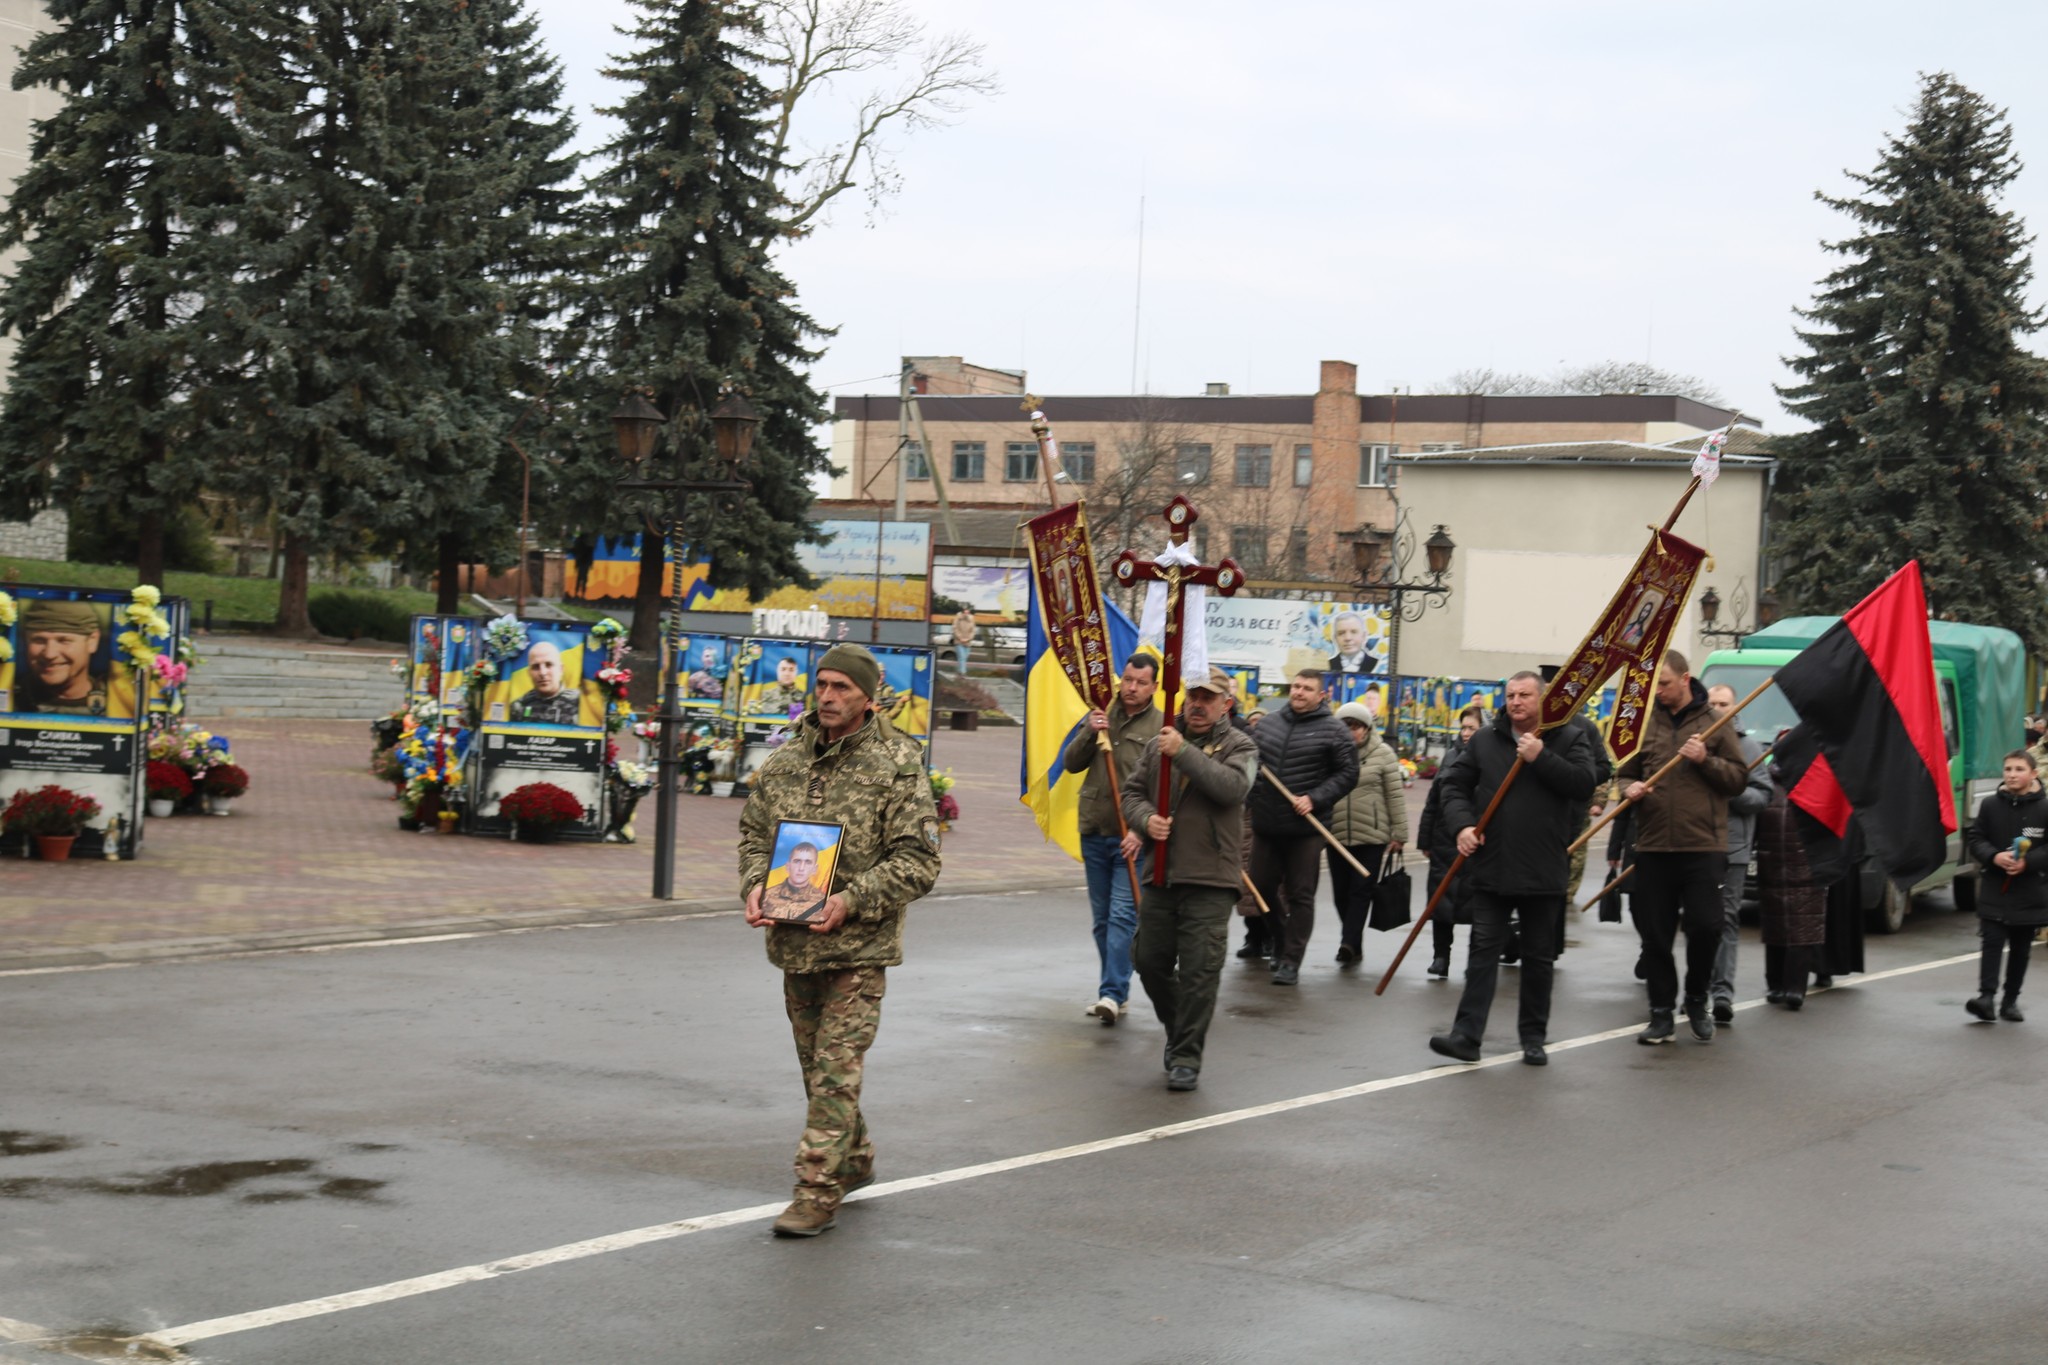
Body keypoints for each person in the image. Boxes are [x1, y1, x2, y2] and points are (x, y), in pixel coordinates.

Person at [740, 642, 942, 1238]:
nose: (827, 697)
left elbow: (919, 860)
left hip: (860, 948)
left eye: (841, 688)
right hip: (794, 946)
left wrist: (849, 901)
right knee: (815, 1069)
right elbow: (754, 836)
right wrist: (755, 885)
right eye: (822, 685)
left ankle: (816, 1190)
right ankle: (852, 1159)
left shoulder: (897, 762)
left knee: (835, 1071)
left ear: (867, 697)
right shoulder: (783, 763)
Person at [1427, 671, 1598, 1067]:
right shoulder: (1486, 740)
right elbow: (1452, 785)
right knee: (1482, 951)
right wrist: (1463, 826)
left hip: (1544, 867)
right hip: (1493, 866)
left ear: (1542, 699)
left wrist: (1542, 758)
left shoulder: (1570, 736)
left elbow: (1584, 783)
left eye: (1524, 695)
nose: (1516, 701)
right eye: (1510, 695)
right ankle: (1466, 1036)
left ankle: (1533, 1037)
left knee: (1538, 958)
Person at [1120, 665, 1259, 1091]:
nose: (1197, 705)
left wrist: (1182, 752)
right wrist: (1146, 820)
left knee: (1200, 971)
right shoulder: (1160, 739)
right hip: (1162, 873)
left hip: (1211, 878)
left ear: (1226, 705)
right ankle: (1181, 1028)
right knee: (1148, 960)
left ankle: (1185, 1056)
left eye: (1208, 698)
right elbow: (1131, 793)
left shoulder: (1241, 745)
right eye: (1192, 696)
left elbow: (1232, 788)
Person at [1615, 650, 1750, 1045]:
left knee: (1707, 927)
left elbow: (1739, 779)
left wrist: (1706, 759)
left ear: (1686, 679)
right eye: (1655, 684)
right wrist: (1630, 790)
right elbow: (1623, 774)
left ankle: (1695, 998)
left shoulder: (1714, 722)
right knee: (1655, 936)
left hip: (1703, 845)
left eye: (1665, 684)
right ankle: (1660, 1013)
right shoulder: (1643, 725)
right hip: (1654, 844)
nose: (1658, 691)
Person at [1060, 655, 1162, 1026]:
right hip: (1095, 829)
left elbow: (1159, 787)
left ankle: (1112, 993)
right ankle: (1115, 988)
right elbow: (1071, 763)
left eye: (1140, 682)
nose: (1131, 688)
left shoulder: (1160, 726)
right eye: (1128, 680)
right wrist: (1089, 730)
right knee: (1102, 920)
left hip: (1131, 837)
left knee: (1122, 915)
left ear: (1153, 687)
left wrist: (1141, 828)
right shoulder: (1102, 713)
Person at [1246, 669, 1359, 985]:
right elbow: (1251, 767)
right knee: (1260, 889)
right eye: (1296, 686)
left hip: (1306, 829)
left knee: (1300, 894)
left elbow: (1348, 774)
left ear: (1321, 695)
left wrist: (1314, 798)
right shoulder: (1267, 725)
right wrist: (1251, 798)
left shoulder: (1334, 731)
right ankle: (1281, 941)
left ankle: (1292, 960)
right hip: (1267, 823)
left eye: (1307, 688)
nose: (1299, 692)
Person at [1962, 749, 2048, 1023]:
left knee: (2021, 947)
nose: (2012, 775)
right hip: (1994, 887)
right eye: (2008, 769)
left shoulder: (2044, 808)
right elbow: (1975, 838)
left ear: (2033, 774)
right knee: (1992, 941)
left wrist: (2028, 862)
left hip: (2030, 890)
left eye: (2019, 769)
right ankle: (1986, 997)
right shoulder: (1989, 805)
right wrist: (1993, 856)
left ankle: (2010, 1001)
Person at [1705, 683, 1771, 1021]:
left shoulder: (1749, 747)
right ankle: (1697, 987)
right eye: (1712, 702)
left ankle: (1722, 994)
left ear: (1736, 708)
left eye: (1724, 703)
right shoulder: (1696, 744)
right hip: (1697, 846)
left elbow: (1762, 797)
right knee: (1700, 922)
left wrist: (1731, 792)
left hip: (1733, 849)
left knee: (1727, 920)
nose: (1718, 708)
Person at [1325, 701, 1407, 966]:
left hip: (1372, 835)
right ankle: (1354, 941)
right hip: (1336, 834)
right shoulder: (1329, 753)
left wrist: (1399, 833)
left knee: (1360, 892)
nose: (1351, 732)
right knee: (1340, 893)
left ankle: (1347, 943)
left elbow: (1394, 795)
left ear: (1367, 728)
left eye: (1355, 726)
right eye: (1344, 726)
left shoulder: (1383, 754)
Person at [1417, 705, 1484, 978]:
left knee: (1477, 907)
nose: (1466, 733)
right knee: (1440, 902)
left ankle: (1474, 961)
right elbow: (1434, 800)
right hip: (1445, 840)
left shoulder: (1490, 758)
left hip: (1478, 841)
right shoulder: (1450, 757)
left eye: (1472, 728)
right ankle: (1440, 956)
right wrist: (1425, 837)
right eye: (1464, 727)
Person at [1753, 782, 1826, 1008]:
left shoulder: (1816, 783)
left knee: (1802, 928)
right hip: (1772, 864)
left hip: (1807, 867)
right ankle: (1775, 984)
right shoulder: (1766, 785)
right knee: (1774, 926)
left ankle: (1795, 988)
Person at [19, 599, 110, 715]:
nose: (49, 654)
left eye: (64, 641)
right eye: (39, 640)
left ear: (92, 641)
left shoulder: (118, 703)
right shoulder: (12, 699)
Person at [510, 641, 579, 725]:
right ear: (529, 672)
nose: (542, 673)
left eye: (549, 665)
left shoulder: (579, 703)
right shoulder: (519, 707)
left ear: (561, 669)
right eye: (536, 667)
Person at [761, 842, 829, 921]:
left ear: (815, 869)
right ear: (788, 866)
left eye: (808, 862)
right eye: (797, 861)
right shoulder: (767, 895)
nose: (801, 868)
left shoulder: (822, 900)